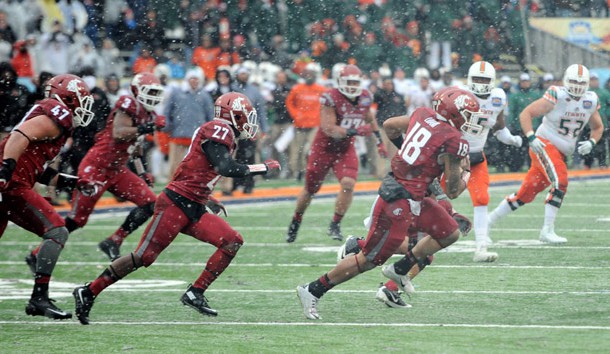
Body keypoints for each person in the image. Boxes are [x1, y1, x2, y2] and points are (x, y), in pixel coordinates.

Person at [72, 92, 281, 325]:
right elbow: (225, 167)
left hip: (194, 203)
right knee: (144, 257)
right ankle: (89, 290)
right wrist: (263, 167)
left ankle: (196, 292)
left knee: (232, 240)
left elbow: (197, 167)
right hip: (176, 203)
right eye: (246, 115)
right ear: (233, 114)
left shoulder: (224, 132)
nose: (249, 120)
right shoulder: (219, 129)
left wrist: (207, 195)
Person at [296, 87, 481, 319]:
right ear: (454, 113)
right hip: (399, 199)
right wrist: (466, 173)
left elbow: (390, 125)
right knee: (369, 261)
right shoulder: (454, 140)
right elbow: (452, 190)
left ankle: (400, 269)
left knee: (449, 232)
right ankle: (313, 289)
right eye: (468, 115)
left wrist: (410, 153)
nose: (472, 121)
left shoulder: (422, 114)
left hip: (414, 194)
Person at [23, 73, 165, 265]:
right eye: (151, 91)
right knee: (76, 220)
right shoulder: (128, 104)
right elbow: (119, 133)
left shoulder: (149, 115)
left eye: (157, 92)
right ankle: (36, 254)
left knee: (150, 203)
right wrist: (147, 128)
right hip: (96, 167)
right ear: (136, 90)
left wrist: (141, 172)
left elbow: (136, 147)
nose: (154, 96)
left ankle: (114, 241)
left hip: (117, 170)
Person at [0, 74, 97, 319]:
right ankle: (38, 298)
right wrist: (5, 170)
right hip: (11, 184)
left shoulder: (57, 122)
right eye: (81, 100)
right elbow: (19, 135)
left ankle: (39, 298)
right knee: (57, 231)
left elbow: (37, 168)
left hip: (14, 181)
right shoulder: (57, 114)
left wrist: (73, 182)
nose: (84, 106)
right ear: (67, 98)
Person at [488, 64, 604, 244]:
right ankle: (547, 230)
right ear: (566, 80)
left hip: (561, 152)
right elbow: (526, 114)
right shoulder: (557, 95)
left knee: (525, 194)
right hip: (545, 144)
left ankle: (488, 221)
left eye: (581, 82)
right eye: (573, 81)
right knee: (561, 181)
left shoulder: (590, 99)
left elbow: (597, 127)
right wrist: (531, 137)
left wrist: (591, 142)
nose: (577, 85)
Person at [286, 64, 388, 243]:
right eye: (347, 82)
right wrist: (356, 131)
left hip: (345, 149)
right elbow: (329, 129)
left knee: (348, 183)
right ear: (339, 81)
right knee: (311, 190)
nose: (351, 86)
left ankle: (335, 224)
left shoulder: (364, 97)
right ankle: (296, 219)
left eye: (354, 82)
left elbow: (371, 120)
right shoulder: (330, 97)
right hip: (323, 149)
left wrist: (380, 142)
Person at [463, 61, 523, 262]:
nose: (481, 83)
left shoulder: (498, 97)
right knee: (426, 194)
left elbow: (498, 126)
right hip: (452, 157)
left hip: (477, 156)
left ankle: (481, 246)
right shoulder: (459, 96)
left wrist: (510, 138)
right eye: (477, 79)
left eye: (485, 80)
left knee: (481, 199)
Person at [285, 63, 327, 181]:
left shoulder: (321, 89)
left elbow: (328, 104)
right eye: (307, 74)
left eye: (311, 74)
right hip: (300, 125)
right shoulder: (297, 88)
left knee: (310, 150)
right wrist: (295, 115)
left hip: (314, 125)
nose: (309, 76)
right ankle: (299, 172)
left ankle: (313, 172)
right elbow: (289, 102)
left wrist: (321, 117)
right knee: (297, 151)